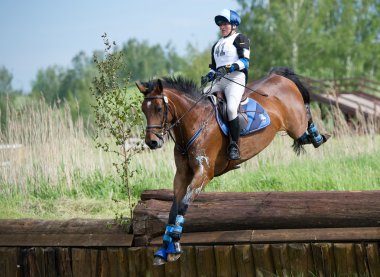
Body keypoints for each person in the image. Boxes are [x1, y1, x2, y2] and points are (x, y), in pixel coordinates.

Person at [201, 9, 251, 160]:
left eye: (225, 24)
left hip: (235, 80)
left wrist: (228, 68)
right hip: (219, 81)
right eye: (220, 24)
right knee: (199, 97)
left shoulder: (240, 38)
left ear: (234, 25)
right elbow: (214, 68)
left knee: (230, 108)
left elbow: (245, 62)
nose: (222, 27)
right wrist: (208, 76)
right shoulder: (216, 45)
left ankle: (234, 145)